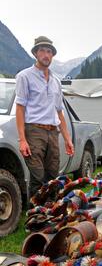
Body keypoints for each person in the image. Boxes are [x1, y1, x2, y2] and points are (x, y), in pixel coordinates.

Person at [15, 36, 74, 199]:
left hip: (53, 132)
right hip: (34, 130)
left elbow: (60, 112)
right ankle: (35, 218)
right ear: (35, 53)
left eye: (49, 52)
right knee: (37, 176)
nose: (46, 55)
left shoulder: (56, 81)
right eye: (42, 51)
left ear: (52, 56)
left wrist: (68, 139)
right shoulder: (24, 76)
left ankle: (50, 215)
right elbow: (20, 108)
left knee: (52, 176)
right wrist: (22, 139)